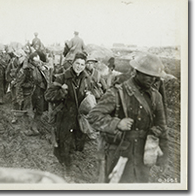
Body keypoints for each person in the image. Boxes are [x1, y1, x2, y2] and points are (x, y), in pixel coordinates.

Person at [87, 53, 168, 183]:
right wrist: (116, 123)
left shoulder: (156, 97)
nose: (152, 80)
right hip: (119, 152)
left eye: (155, 77)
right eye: (148, 75)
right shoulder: (117, 93)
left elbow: (162, 125)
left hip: (143, 155)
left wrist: (164, 155)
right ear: (137, 72)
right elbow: (93, 116)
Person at [45, 52, 91, 172]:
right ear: (72, 63)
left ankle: (68, 157)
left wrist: (90, 95)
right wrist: (61, 92)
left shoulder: (86, 78)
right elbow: (48, 95)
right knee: (64, 140)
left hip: (79, 115)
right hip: (64, 114)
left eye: (82, 64)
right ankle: (65, 166)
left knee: (78, 139)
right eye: (77, 63)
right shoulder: (62, 77)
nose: (79, 67)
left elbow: (93, 91)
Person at [16, 51, 49, 136]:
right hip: (29, 93)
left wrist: (44, 69)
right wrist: (20, 98)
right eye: (36, 62)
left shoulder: (39, 67)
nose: (38, 63)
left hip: (39, 92)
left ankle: (34, 126)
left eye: (39, 61)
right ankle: (27, 129)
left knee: (40, 110)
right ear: (31, 61)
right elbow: (18, 85)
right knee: (28, 113)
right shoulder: (25, 70)